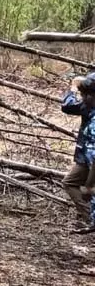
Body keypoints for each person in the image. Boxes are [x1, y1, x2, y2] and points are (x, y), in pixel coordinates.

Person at [61, 74, 95, 234]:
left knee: (72, 183)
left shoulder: (89, 106)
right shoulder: (88, 104)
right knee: (71, 182)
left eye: (84, 94)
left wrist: (73, 88)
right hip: (86, 157)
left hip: (88, 158)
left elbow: (68, 106)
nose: (83, 97)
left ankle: (90, 217)